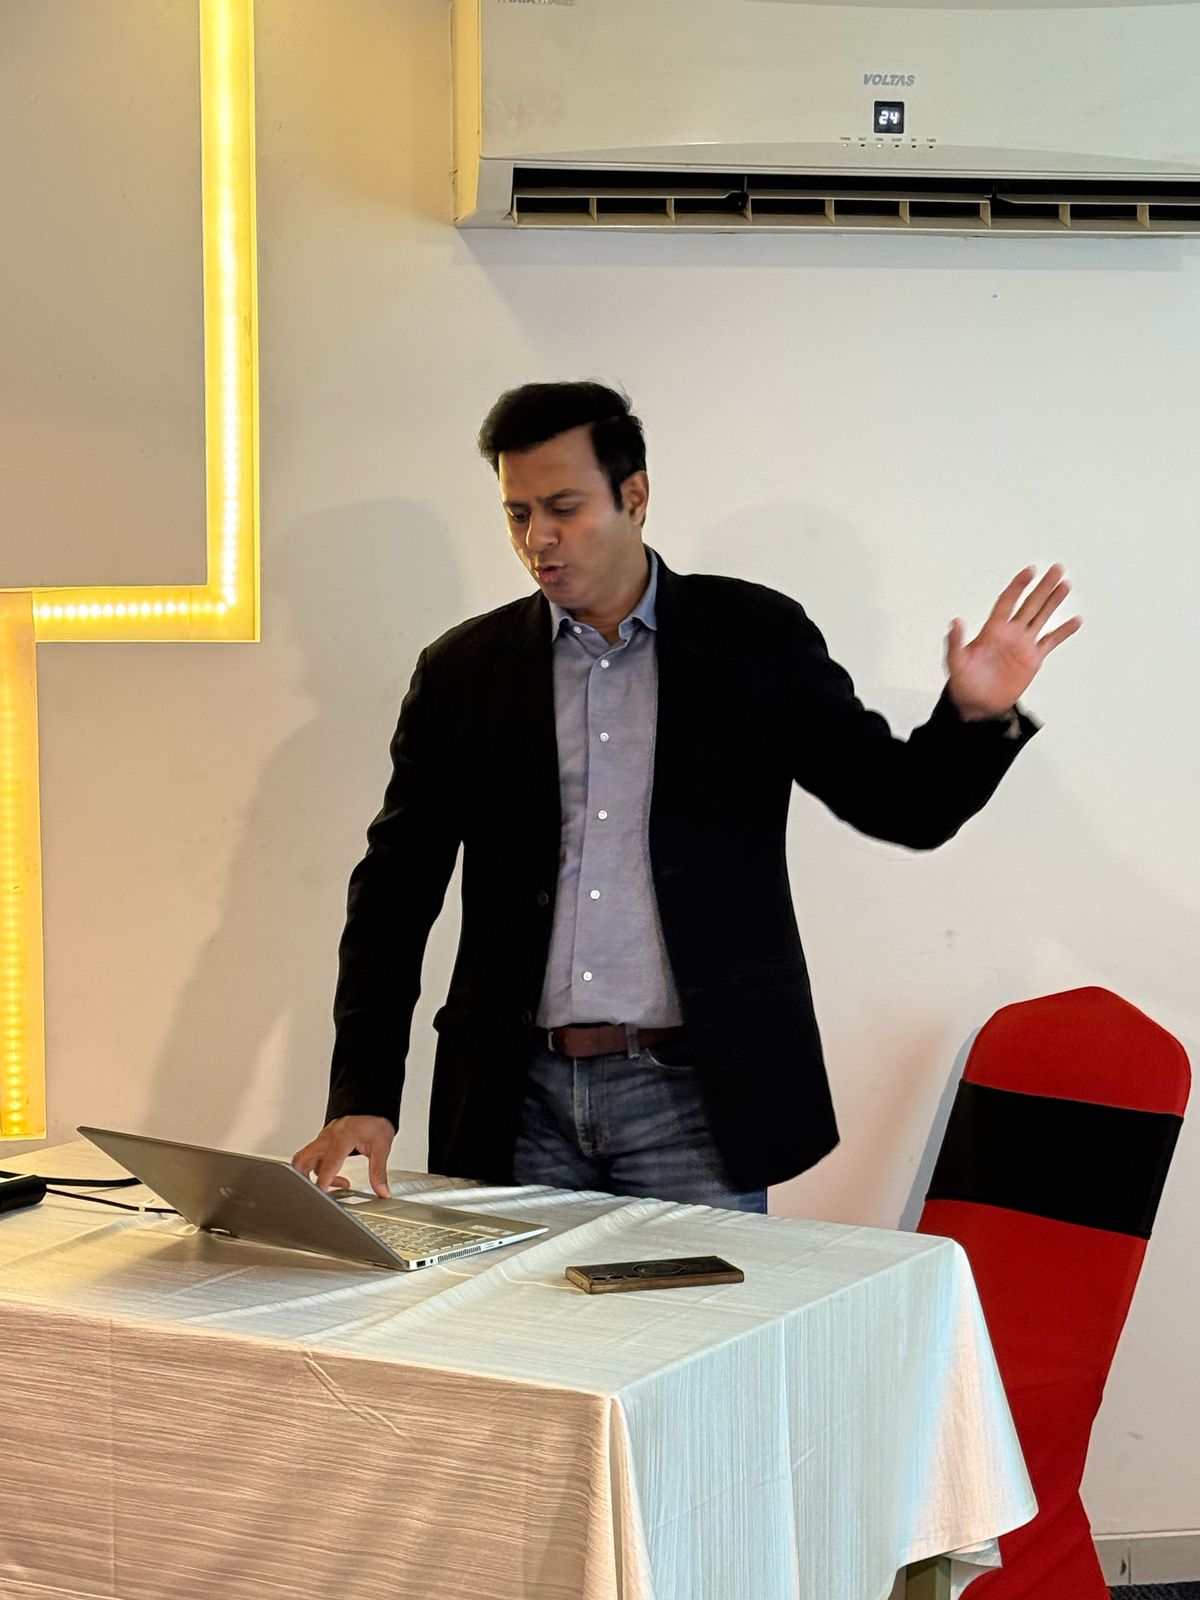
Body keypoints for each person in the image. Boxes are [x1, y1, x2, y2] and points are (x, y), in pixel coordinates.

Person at [292, 382, 1080, 1211]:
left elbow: (903, 807)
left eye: (564, 507)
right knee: (514, 1306)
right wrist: (363, 1093)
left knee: (700, 1304)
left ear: (634, 496)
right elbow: (393, 892)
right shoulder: (464, 671)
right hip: (513, 1100)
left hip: (695, 1102)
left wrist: (972, 716)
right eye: (517, 513)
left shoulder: (754, 638)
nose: (537, 538)